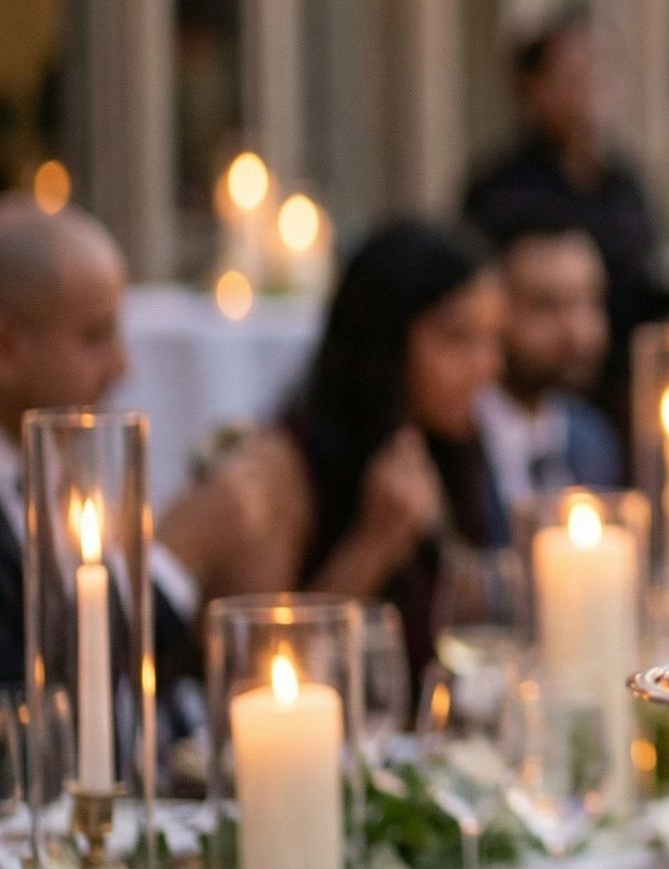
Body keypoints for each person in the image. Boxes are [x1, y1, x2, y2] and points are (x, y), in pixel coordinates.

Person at [195, 221, 504, 676]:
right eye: (457, 338)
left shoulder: (448, 443)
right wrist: (374, 543)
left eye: (494, 338)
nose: (486, 366)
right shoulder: (279, 468)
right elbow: (256, 674)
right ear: (384, 338)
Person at [0, 197, 229, 733]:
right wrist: (171, 557)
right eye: (95, 336)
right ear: (6, 347)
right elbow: (37, 713)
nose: (121, 366)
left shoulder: (61, 474)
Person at [462, 16, 661, 448]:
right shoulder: (502, 186)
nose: (590, 91)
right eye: (572, 76)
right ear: (532, 88)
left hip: (619, 390)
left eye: (598, 74)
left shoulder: (623, 183)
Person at [478, 219, 623, 527]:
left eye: (591, 302)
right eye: (547, 307)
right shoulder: (455, 442)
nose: (580, 334)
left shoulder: (592, 439)